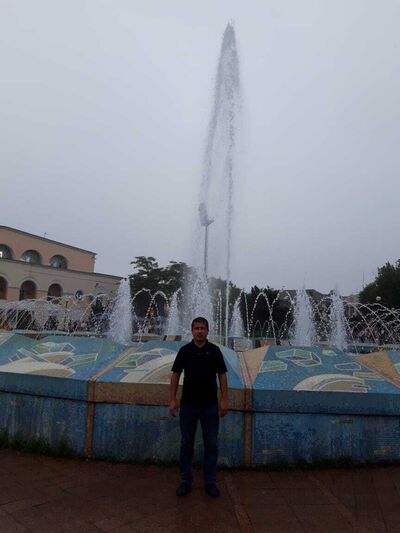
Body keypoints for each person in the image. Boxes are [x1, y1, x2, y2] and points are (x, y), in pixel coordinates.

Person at [169, 316, 228, 498]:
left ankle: (210, 482)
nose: (200, 331)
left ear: (207, 331)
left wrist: (224, 399)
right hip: (188, 404)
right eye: (197, 328)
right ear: (192, 331)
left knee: (211, 444)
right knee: (186, 443)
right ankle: (185, 480)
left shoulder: (214, 351)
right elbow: (175, 374)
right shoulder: (185, 351)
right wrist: (172, 399)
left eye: (203, 328)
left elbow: (222, 375)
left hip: (210, 405)